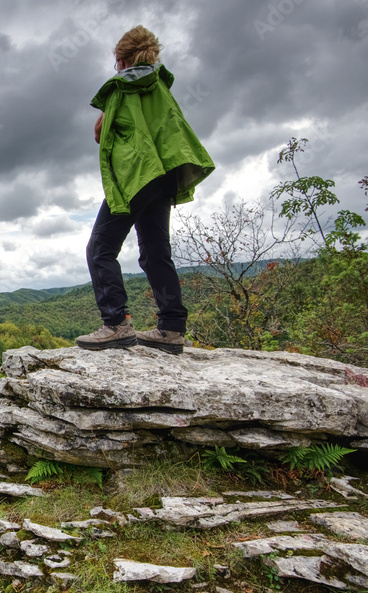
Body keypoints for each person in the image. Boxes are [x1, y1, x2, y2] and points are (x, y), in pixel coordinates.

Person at [76, 26, 214, 355]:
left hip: (138, 173)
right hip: (165, 174)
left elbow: (102, 136)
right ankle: (171, 328)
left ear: (122, 61)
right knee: (154, 251)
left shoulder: (121, 88)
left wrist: (103, 119)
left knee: (100, 248)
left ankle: (116, 324)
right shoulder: (161, 88)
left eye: (116, 62)